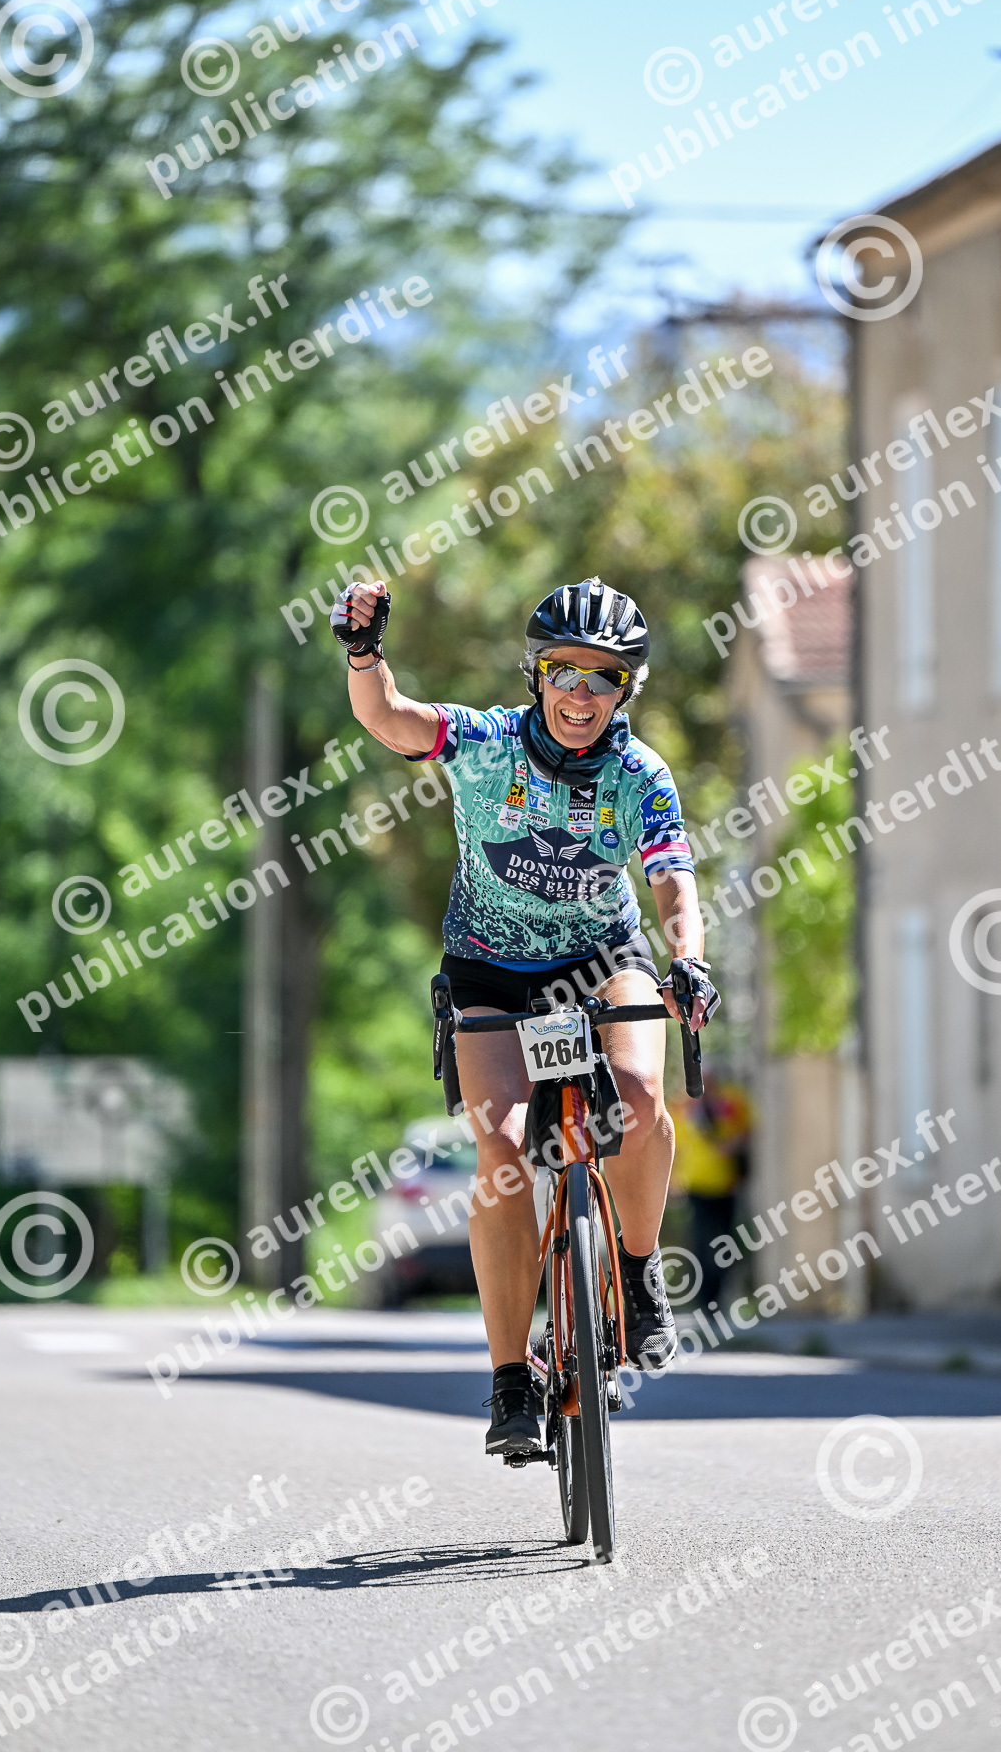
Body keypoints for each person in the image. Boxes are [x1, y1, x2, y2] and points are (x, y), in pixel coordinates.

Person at [329, 574, 717, 1456]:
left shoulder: (638, 774)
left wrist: (688, 957)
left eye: (604, 677)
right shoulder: (486, 743)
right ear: (536, 675)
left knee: (639, 1096)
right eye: (564, 672)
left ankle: (637, 1271)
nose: (582, 694)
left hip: (602, 959)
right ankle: (510, 1377)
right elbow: (388, 717)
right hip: (491, 970)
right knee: (503, 1153)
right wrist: (364, 652)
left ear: (627, 689)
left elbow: (670, 877)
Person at [669, 1065, 753, 1310]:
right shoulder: (682, 1105)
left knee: (725, 1241)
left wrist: (732, 1145)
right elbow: (673, 1144)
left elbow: (748, 1130)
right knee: (702, 1241)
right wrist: (672, 1180)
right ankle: (706, 1300)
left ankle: (719, 1294)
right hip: (697, 1185)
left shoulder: (732, 1100)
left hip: (727, 1185)